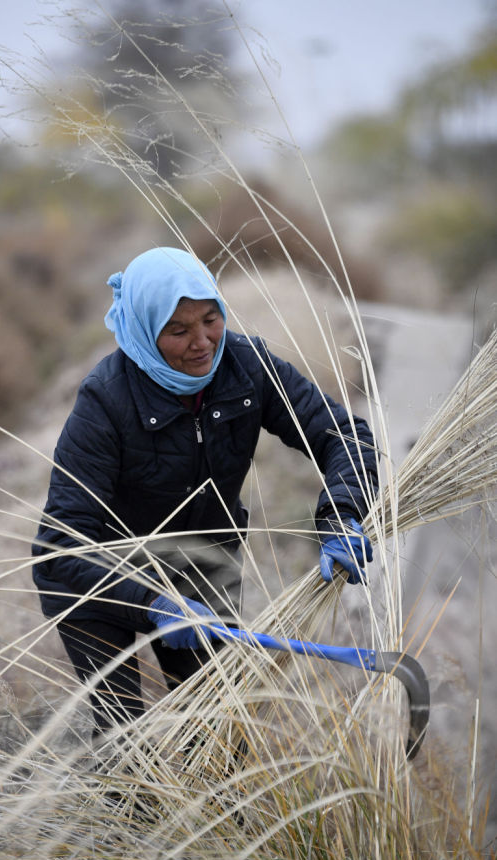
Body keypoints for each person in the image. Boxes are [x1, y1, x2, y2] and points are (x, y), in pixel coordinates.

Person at [32, 246, 377, 742]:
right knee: (127, 743)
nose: (202, 343)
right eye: (178, 330)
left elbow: (343, 436)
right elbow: (61, 544)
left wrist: (341, 515)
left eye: (211, 319)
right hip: (100, 582)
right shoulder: (105, 401)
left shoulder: (246, 366)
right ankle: (124, 812)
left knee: (213, 738)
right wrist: (152, 601)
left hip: (198, 570)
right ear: (147, 331)